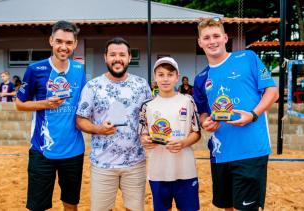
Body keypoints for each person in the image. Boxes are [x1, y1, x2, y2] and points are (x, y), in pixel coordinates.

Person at [193, 18, 279, 211]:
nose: (212, 41)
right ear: (200, 42)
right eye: (206, 37)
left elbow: (272, 92)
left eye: (216, 36)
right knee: (228, 207)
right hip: (220, 153)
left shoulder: (247, 58)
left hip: (251, 149)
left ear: (225, 38)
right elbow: (204, 113)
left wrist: (253, 114)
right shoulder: (200, 79)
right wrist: (206, 122)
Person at [15, 20, 86, 211]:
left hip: (74, 150)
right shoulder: (35, 69)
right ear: (51, 41)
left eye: (69, 43)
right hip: (42, 149)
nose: (64, 47)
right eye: (60, 41)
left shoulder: (79, 70)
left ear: (75, 44)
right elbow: (19, 104)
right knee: (38, 206)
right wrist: (45, 104)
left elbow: (85, 104)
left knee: (71, 203)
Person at [76, 37, 151, 211]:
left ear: (129, 57)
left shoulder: (141, 85)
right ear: (105, 57)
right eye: (113, 54)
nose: (117, 58)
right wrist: (99, 129)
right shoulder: (93, 86)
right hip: (102, 164)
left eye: (122, 54)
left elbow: (149, 118)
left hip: (135, 163)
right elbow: (80, 119)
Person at [139, 57, 201, 211]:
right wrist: (145, 140)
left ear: (177, 77)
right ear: (155, 77)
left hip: (185, 170)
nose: (165, 79)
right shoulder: (147, 105)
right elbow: (143, 134)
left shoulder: (188, 101)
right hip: (158, 171)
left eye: (170, 74)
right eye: (161, 74)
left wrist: (184, 143)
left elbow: (197, 132)